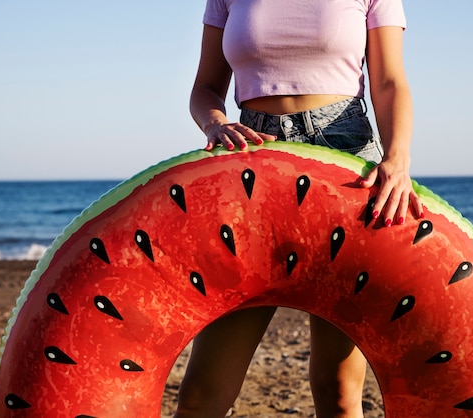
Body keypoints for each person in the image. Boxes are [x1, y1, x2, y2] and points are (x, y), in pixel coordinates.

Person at [175, 1, 424, 417]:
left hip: (344, 160)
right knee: (201, 393)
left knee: (339, 391)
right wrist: (215, 123)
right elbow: (205, 88)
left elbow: (389, 81)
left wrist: (398, 158)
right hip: (252, 159)